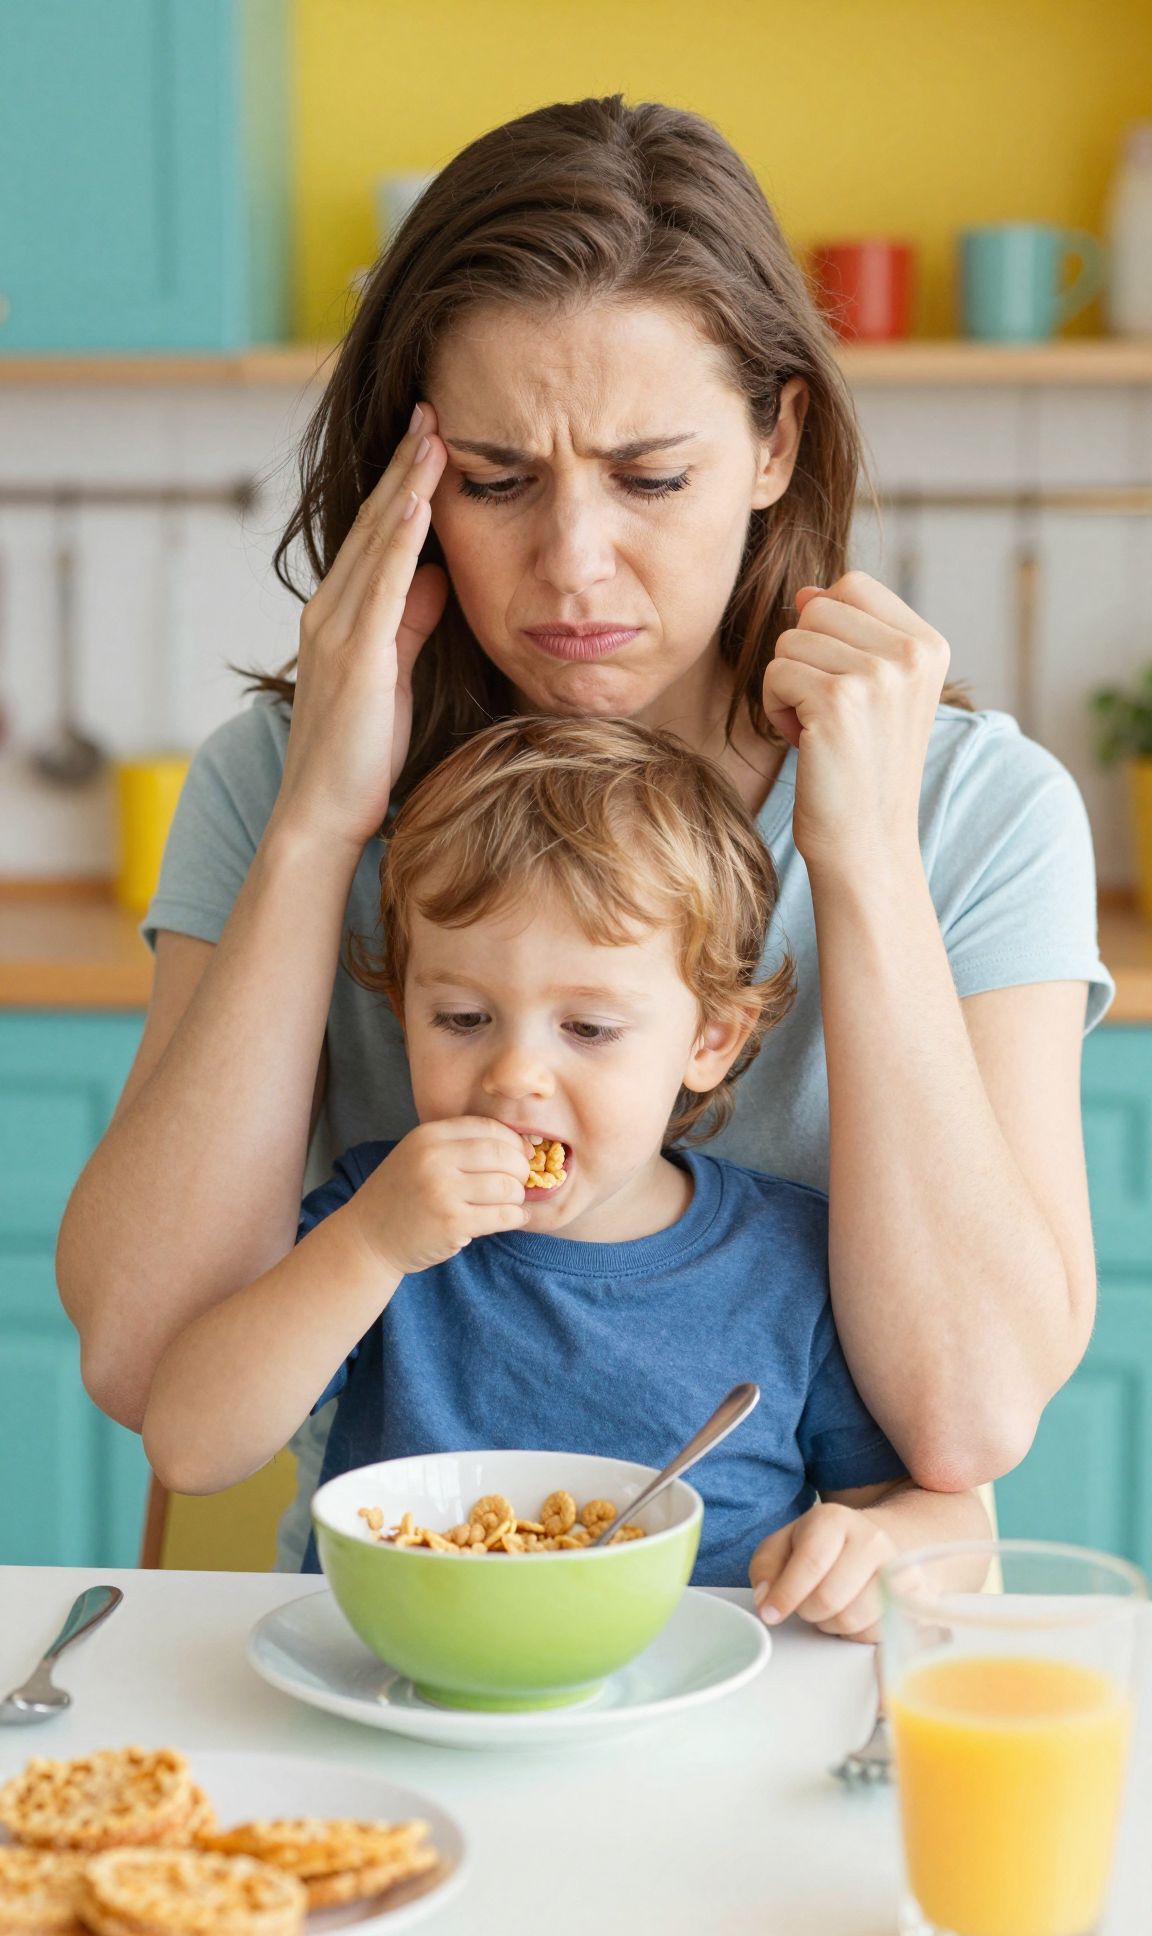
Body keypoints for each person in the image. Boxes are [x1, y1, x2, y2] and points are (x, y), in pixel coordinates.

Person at [59, 96, 1111, 1578]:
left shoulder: (977, 812)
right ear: (410, 484)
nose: (572, 567)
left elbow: (970, 1420)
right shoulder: (286, 785)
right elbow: (138, 1365)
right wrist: (316, 822)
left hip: (782, 1658)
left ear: (773, 443)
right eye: (495, 481)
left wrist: (862, 852)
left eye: (651, 477)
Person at [141, 718, 989, 1634]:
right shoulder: (379, 1218)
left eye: (587, 1029)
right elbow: (191, 1446)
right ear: (402, 1010)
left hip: (695, 1713)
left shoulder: (790, 1260)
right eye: (464, 1018)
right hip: (412, 1682)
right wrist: (370, 1245)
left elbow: (956, 1528)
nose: (514, 1076)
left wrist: (876, 1551)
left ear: (710, 1039)